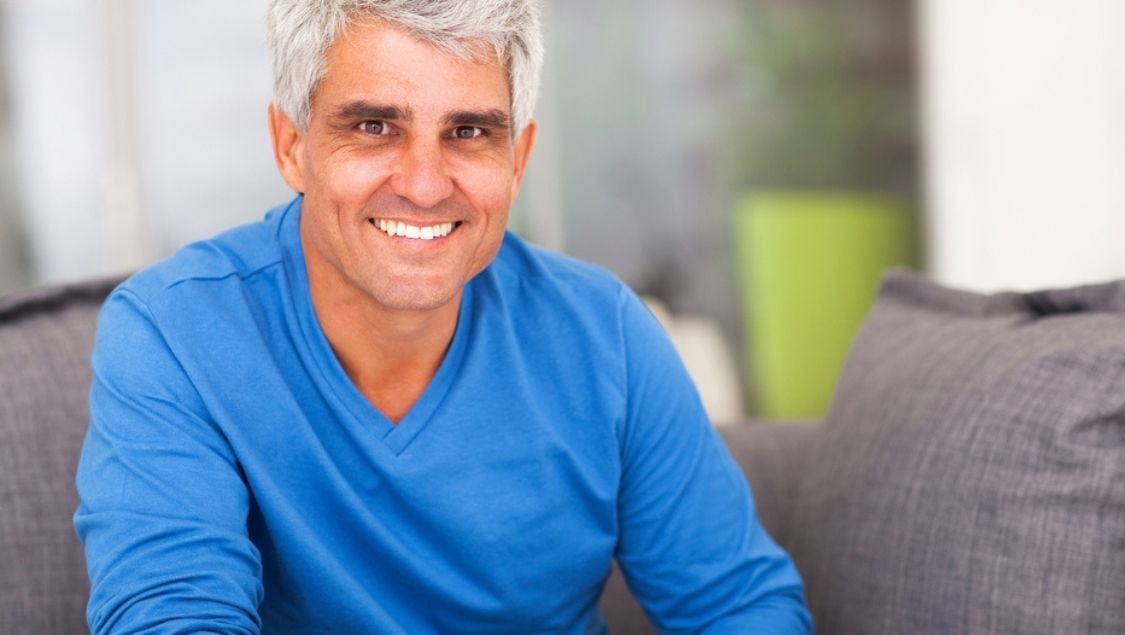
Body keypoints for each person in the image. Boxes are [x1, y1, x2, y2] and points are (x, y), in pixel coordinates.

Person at [74, 1, 812, 632]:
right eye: (373, 126)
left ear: (518, 159)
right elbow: (170, 613)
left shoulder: (606, 336)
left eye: (468, 132)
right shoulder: (172, 334)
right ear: (292, 145)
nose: (425, 185)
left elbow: (739, 604)